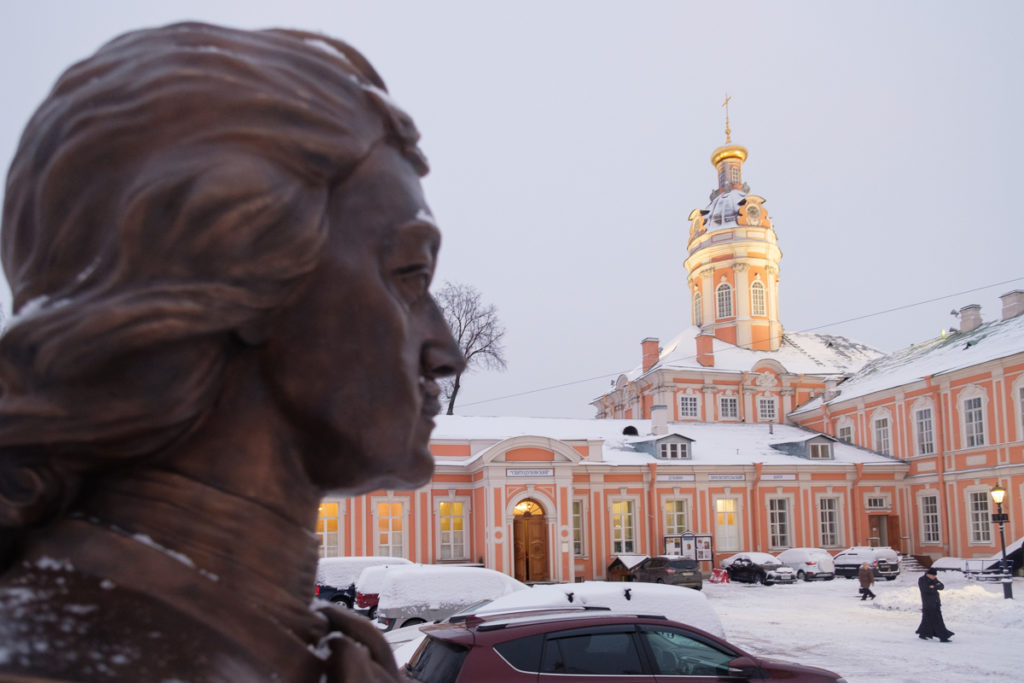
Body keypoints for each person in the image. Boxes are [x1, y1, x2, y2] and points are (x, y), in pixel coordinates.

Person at [0, 23, 463, 682]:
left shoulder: (305, 648)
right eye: (410, 274)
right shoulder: (61, 663)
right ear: (237, 264)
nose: (446, 352)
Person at [916, 567, 954, 642]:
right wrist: (935, 586)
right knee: (938, 621)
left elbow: (942, 586)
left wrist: (934, 586)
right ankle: (943, 637)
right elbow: (926, 590)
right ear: (928, 574)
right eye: (933, 576)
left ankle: (923, 633)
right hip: (928, 604)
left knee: (927, 620)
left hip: (936, 602)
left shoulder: (934, 580)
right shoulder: (922, 580)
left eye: (935, 576)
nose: (934, 577)